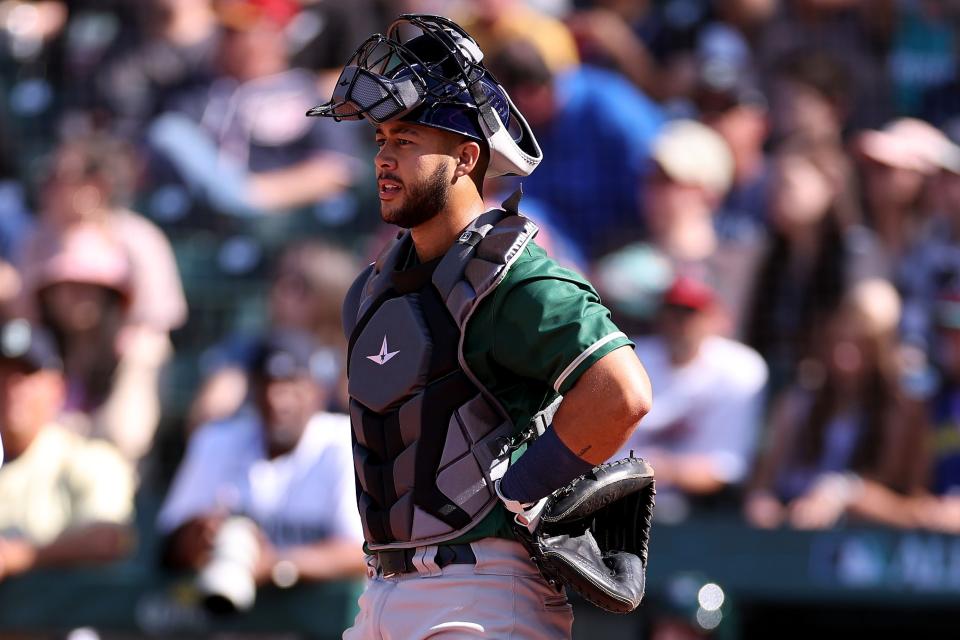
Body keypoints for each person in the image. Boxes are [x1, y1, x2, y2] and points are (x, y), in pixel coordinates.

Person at [307, 14, 652, 639]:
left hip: (485, 591)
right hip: (380, 589)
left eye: (407, 141)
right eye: (381, 140)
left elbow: (622, 393)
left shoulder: (513, 276)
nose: (384, 159)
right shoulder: (376, 284)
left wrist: (526, 486)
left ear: (468, 157)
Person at [157, 329, 365, 605]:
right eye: (267, 383)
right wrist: (196, 535)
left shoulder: (342, 442)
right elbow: (167, 546)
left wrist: (279, 566)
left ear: (317, 391)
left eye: (292, 384)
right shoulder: (216, 440)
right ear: (252, 389)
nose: (277, 398)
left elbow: (363, 553)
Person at [610, 275, 767, 503]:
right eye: (672, 312)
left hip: (700, 504)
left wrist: (662, 470)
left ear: (716, 317)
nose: (679, 323)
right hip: (618, 493)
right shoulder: (628, 357)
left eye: (690, 313)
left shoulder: (740, 367)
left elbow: (726, 469)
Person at [0, 318, 135, 580]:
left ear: (57, 389)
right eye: (2, 373)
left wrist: (15, 556)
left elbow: (110, 538)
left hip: (64, 618)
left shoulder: (90, 459)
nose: (12, 388)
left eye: (27, 375)